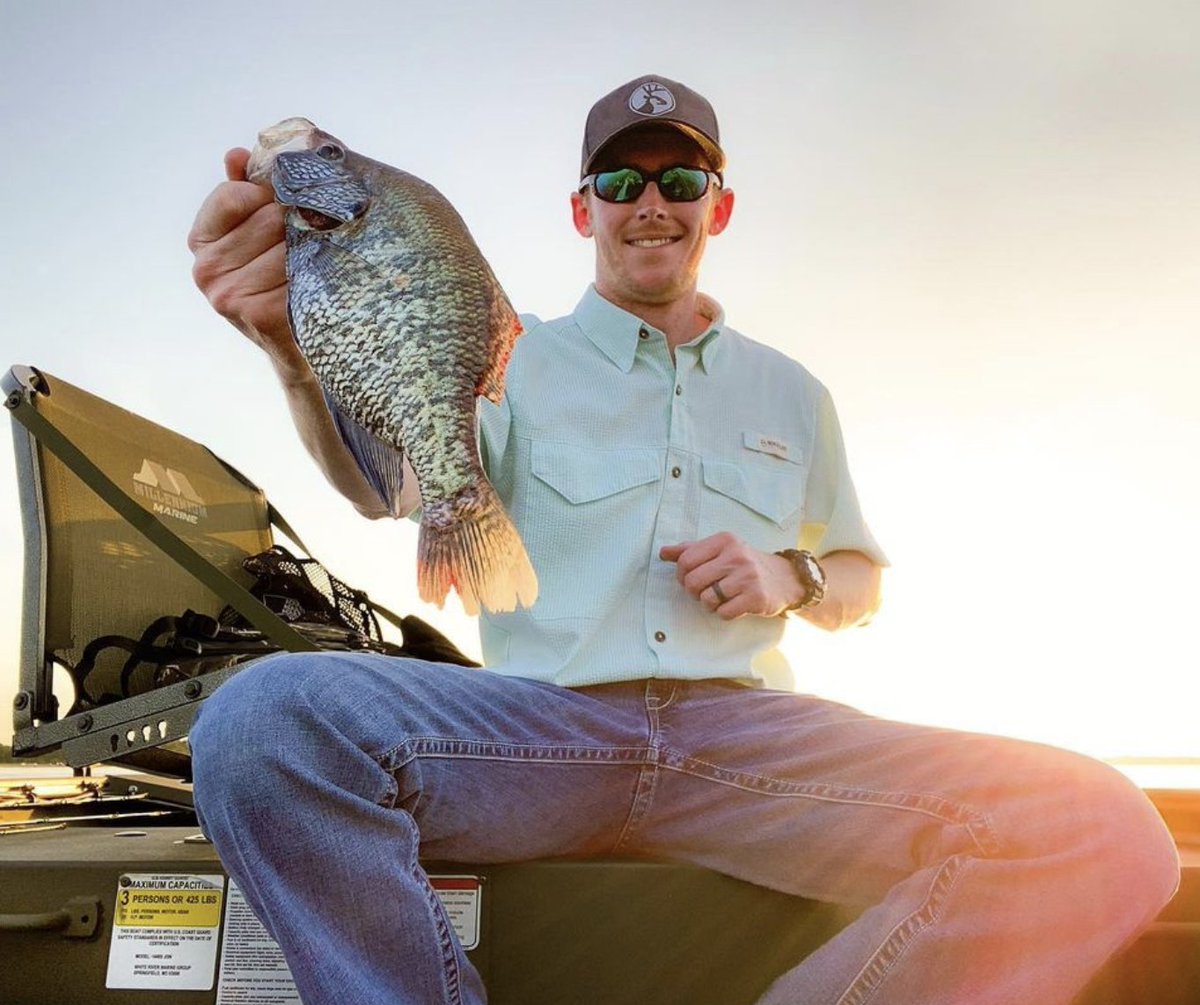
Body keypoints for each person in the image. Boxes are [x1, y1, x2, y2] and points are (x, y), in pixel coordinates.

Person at [186, 75, 1179, 1005]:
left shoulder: (794, 390)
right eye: (621, 181)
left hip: (747, 749)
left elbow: (860, 578)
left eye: (680, 179)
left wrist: (787, 574)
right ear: (585, 210)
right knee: (263, 720)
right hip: (536, 736)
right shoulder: (508, 352)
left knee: (1108, 830)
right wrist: (296, 350)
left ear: (718, 205)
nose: (649, 201)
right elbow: (389, 484)